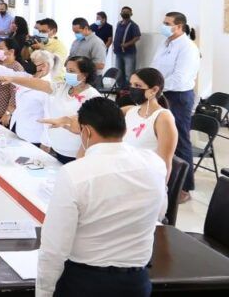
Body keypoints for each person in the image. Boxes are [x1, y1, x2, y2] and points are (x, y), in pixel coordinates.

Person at [36, 97, 166, 297]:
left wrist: (44, 291)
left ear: (85, 131)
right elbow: (159, 212)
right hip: (136, 281)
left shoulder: (74, 173)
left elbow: (55, 246)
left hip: (86, 281)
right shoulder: (154, 163)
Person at [4, 56, 101, 164]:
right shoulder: (63, 87)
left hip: (76, 154)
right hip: (57, 149)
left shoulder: (93, 96)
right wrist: (13, 79)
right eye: (67, 70)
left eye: (72, 71)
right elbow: (40, 84)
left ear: (85, 75)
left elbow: (93, 129)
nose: (68, 74)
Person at [150, 11, 199, 202]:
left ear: (179, 26)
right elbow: (156, 68)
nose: (163, 25)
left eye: (167, 23)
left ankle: (185, 188)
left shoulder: (188, 48)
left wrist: (156, 88)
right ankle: (165, 179)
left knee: (179, 140)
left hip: (178, 96)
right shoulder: (165, 43)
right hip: (161, 93)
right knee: (161, 137)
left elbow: (180, 78)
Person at [0, 50, 55, 146]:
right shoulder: (27, 77)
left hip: (34, 136)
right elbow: (6, 72)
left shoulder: (49, 88)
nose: (29, 64)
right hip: (18, 128)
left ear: (44, 66)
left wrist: (46, 143)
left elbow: (49, 117)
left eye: (33, 62)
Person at [122, 68, 178, 179]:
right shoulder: (130, 110)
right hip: (127, 173)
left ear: (154, 90)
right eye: (131, 85)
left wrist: (161, 189)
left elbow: (165, 163)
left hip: (146, 179)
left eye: (137, 86)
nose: (132, 89)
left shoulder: (163, 118)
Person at [112, 6, 141, 88]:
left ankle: (128, 92)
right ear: (120, 13)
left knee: (129, 74)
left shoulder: (133, 25)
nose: (124, 13)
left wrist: (127, 44)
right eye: (123, 11)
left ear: (131, 14)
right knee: (119, 73)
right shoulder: (119, 23)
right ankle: (120, 91)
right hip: (118, 53)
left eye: (127, 12)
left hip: (129, 53)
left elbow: (137, 37)